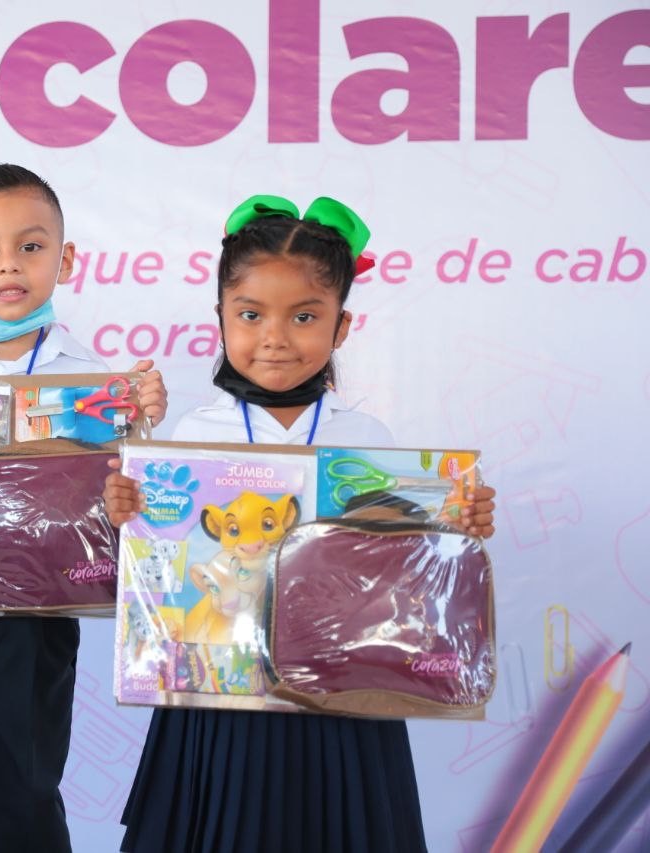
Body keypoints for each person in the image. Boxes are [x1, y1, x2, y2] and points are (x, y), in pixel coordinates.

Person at [104, 194, 498, 853]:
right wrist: (126, 515)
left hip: (339, 701)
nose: (275, 337)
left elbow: (399, 578)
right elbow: (159, 575)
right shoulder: (193, 438)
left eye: (305, 316)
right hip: (219, 702)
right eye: (251, 314)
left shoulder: (368, 441)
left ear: (341, 327)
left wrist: (457, 527)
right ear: (222, 318)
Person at [0, 163, 167, 851]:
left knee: (30, 789)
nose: (8, 265)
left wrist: (144, 427)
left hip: (38, 618)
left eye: (31, 246)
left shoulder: (95, 383)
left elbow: (127, 505)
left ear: (65, 258)